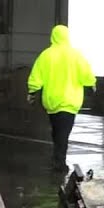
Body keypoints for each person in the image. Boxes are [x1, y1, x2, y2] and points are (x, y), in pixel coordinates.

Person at [27, 24, 96, 172]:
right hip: (70, 101)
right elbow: (86, 74)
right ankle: (59, 162)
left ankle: (57, 159)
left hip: (52, 101)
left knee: (57, 131)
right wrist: (91, 85)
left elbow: (36, 76)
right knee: (63, 133)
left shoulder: (46, 55)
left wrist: (32, 92)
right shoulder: (75, 55)